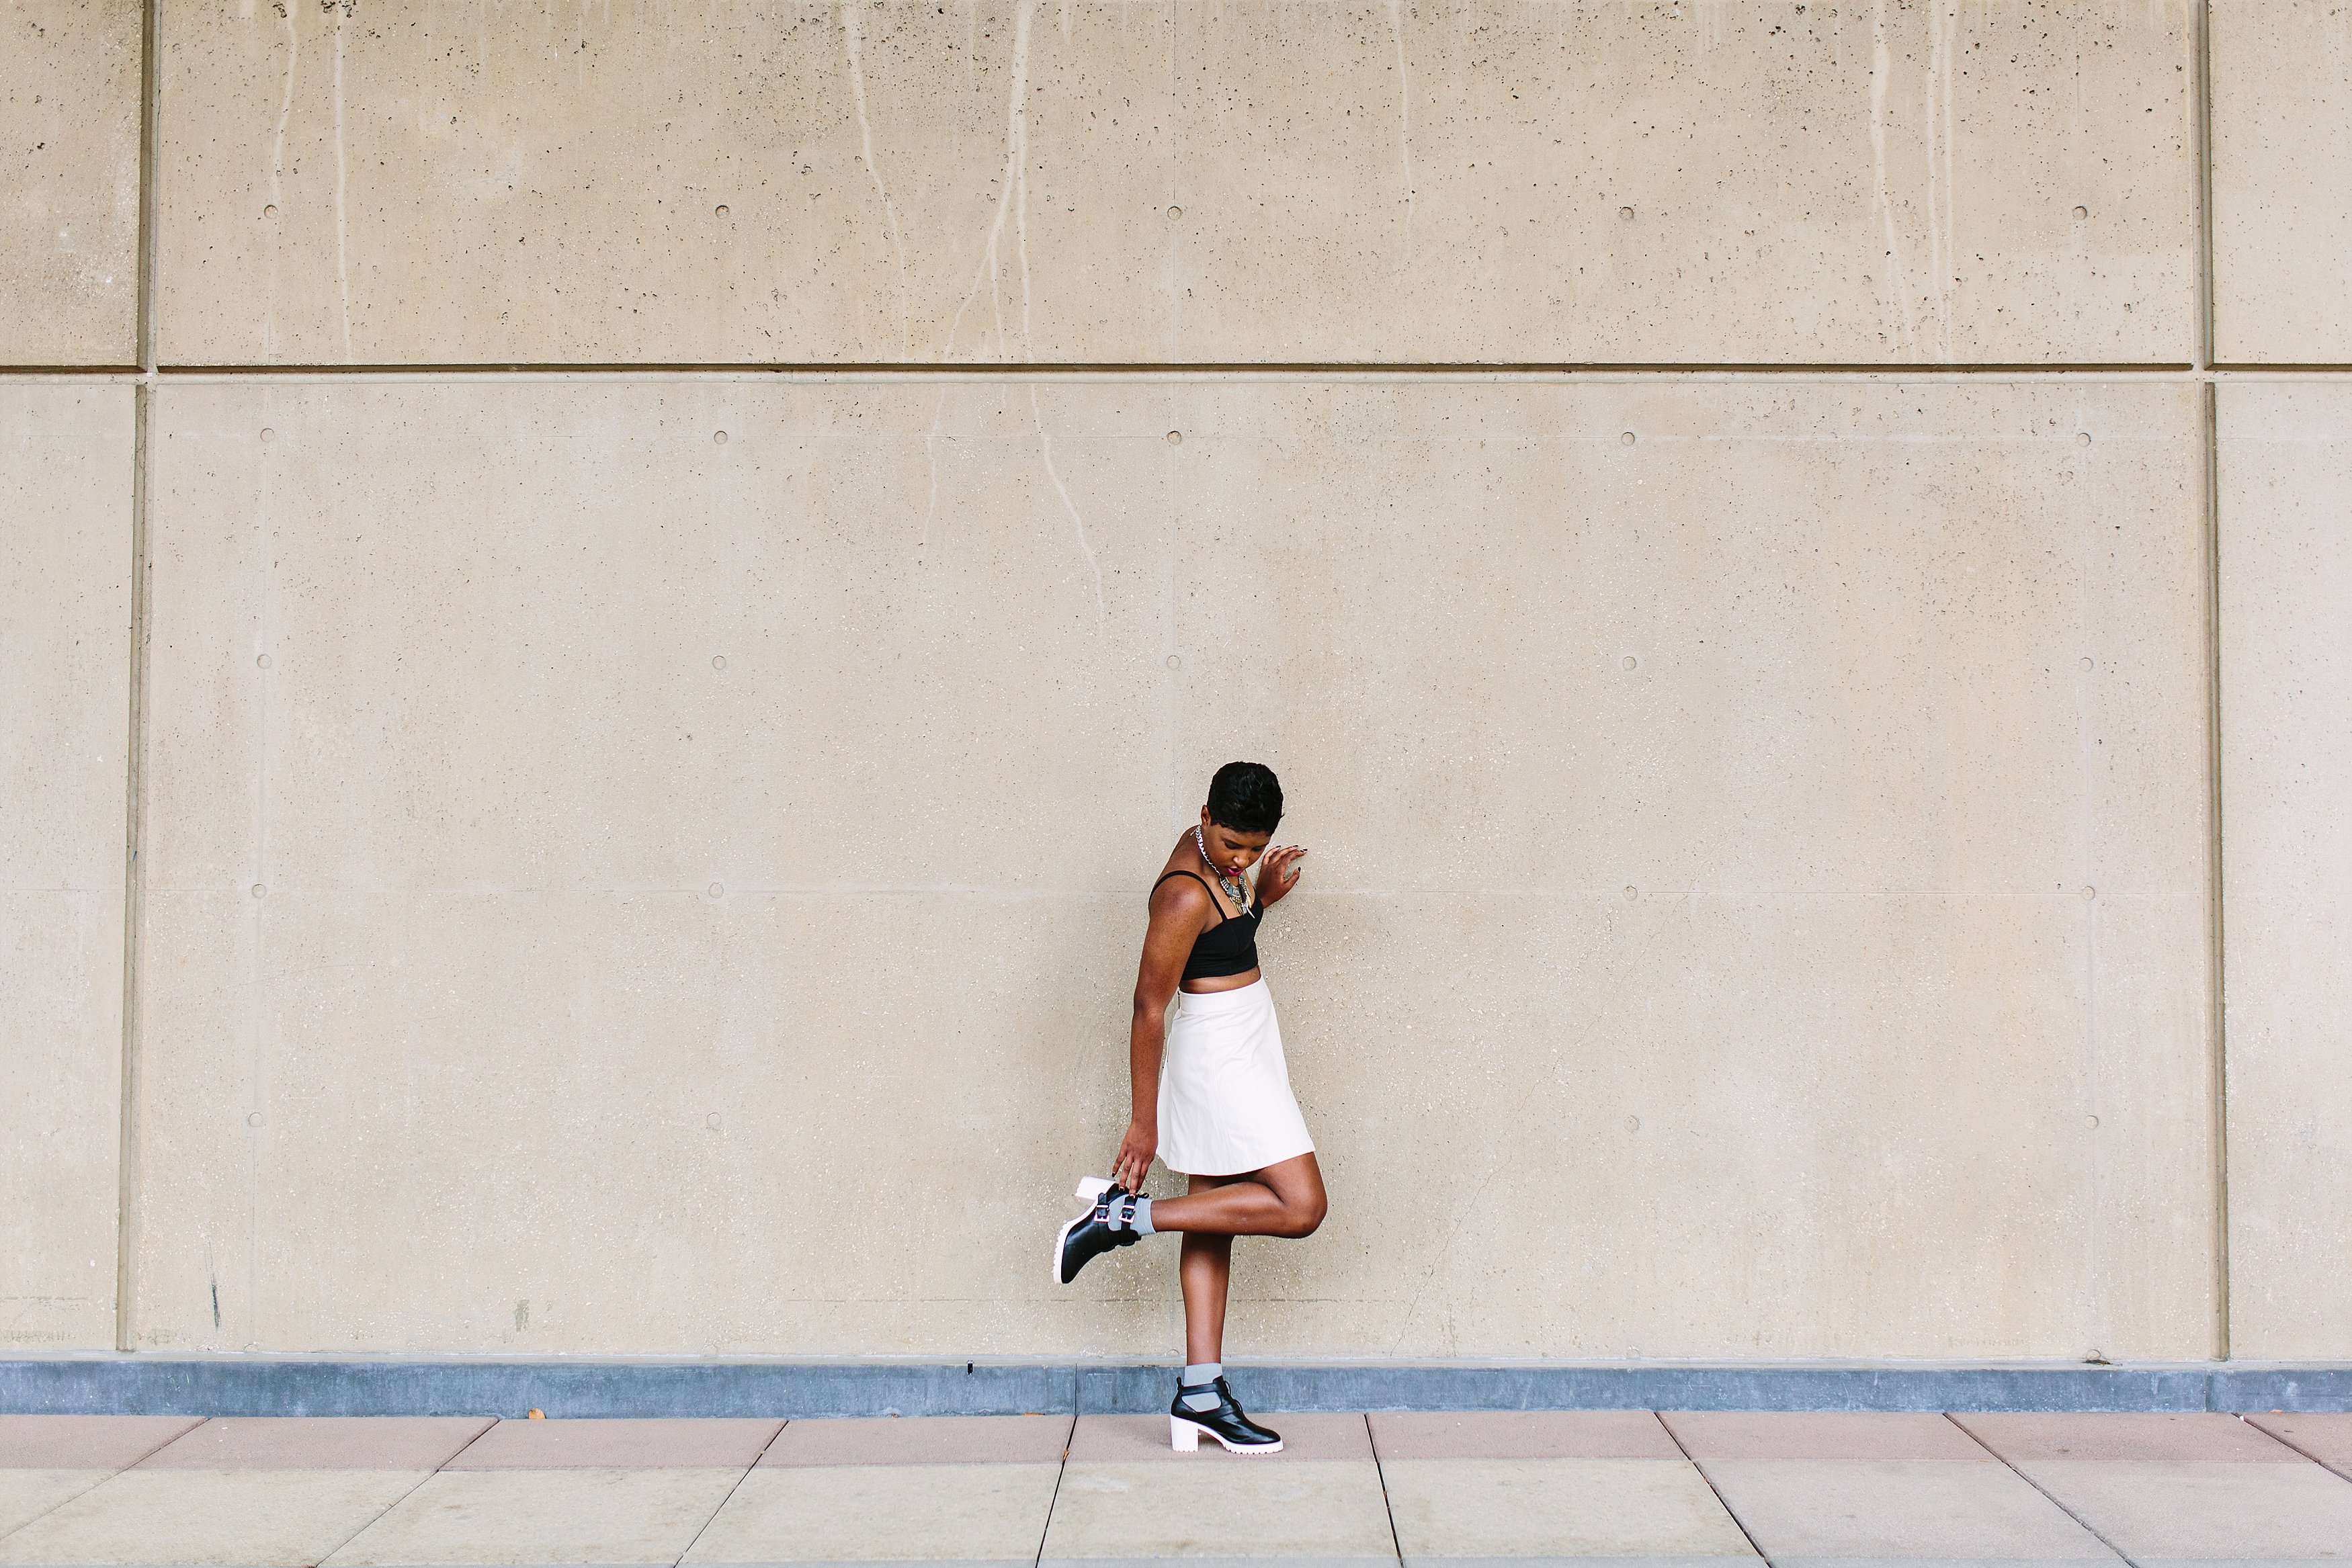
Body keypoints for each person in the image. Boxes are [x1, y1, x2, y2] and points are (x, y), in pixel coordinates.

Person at [1052, 761, 1324, 1454]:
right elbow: (1148, 1006)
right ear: (1204, 815)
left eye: (1253, 847)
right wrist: (1141, 1123)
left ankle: (1199, 1394)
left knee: (1215, 1217)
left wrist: (1258, 894)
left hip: (1246, 1044)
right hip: (1220, 1061)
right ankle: (1121, 1217)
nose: (1240, 857)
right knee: (1301, 1206)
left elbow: (1222, 940)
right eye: (1231, 843)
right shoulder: (1181, 893)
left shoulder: (1218, 865)